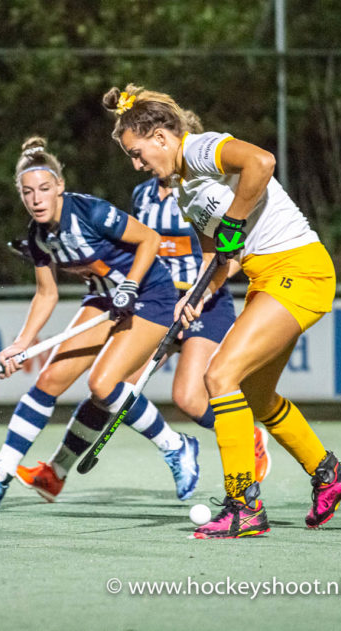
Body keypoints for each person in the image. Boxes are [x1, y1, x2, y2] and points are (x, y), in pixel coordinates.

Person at [104, 83, 341, 538]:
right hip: (267, 279)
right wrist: (194, 296)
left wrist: (234, 220)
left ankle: (244, 505)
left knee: (219, 376)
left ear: (161, 138)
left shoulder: (201, 149)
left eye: (137, 154)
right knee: (256, 395)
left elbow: (261, 162)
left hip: (299, 270)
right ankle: (330, 474)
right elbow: (219, 257)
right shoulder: (184, 190)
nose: (137, 165)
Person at [0, 137, 200, 507]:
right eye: (28, 192)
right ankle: (1, 474)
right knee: (49, 380)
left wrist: (130, 285)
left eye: (44, 189)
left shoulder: (91, 213)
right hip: (104, 299)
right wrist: (22, 343)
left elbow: (150, 239)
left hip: (150, 294)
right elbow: (46, 294)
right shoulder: (38, 237)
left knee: (103, 384)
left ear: (59, 186)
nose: (36, 199)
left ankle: (176, 446)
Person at [16, 171, 271, 502]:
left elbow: (235, 253)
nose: (139, 163)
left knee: (188, 398)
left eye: (141, 153)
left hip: (204, 304)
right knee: (112, 389)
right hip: (159, 302)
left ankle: (248, 436)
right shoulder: (142, 195)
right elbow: (135, 247)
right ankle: (57, 471)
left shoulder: (203, 192)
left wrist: (203, 290)